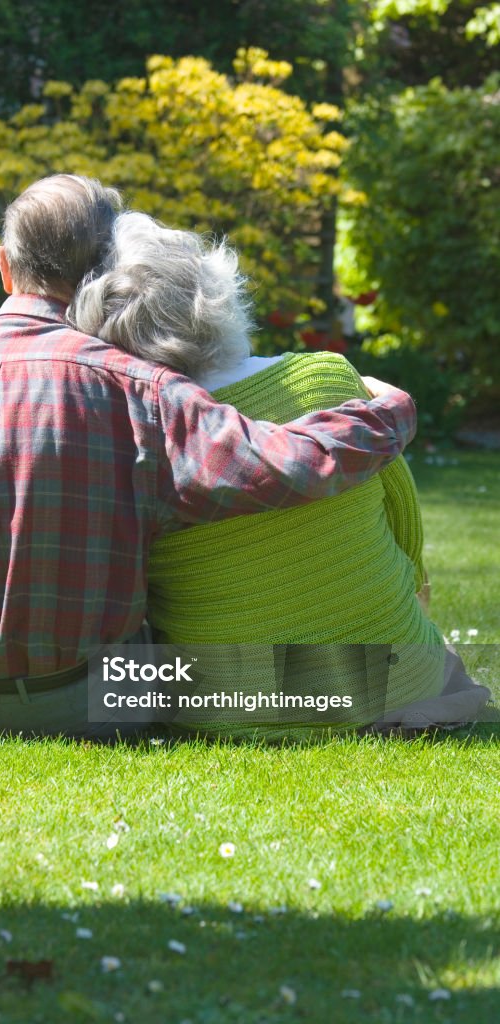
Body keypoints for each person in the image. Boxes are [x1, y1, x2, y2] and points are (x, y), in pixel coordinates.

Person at [0, 174, 418, 740]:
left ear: (4, 266)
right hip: (89, 702)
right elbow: (285, 462)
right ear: (108, 270)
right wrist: (391, 410)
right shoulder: (138, 384)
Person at [69, 210, 491, 737]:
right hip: (397, 691)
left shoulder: (129, 427)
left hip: (228, 711)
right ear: (217, 291)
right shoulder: (325, 375)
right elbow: (404, 524)